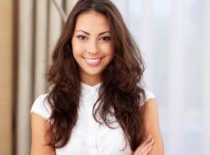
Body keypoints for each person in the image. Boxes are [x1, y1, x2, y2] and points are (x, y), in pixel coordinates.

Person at [30, 0, 164, 154]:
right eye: (82, 37)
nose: (93, 49)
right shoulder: (45, 109)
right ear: (70, 41)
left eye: (105, 38)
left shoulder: (143, 103)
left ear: (117, 43)